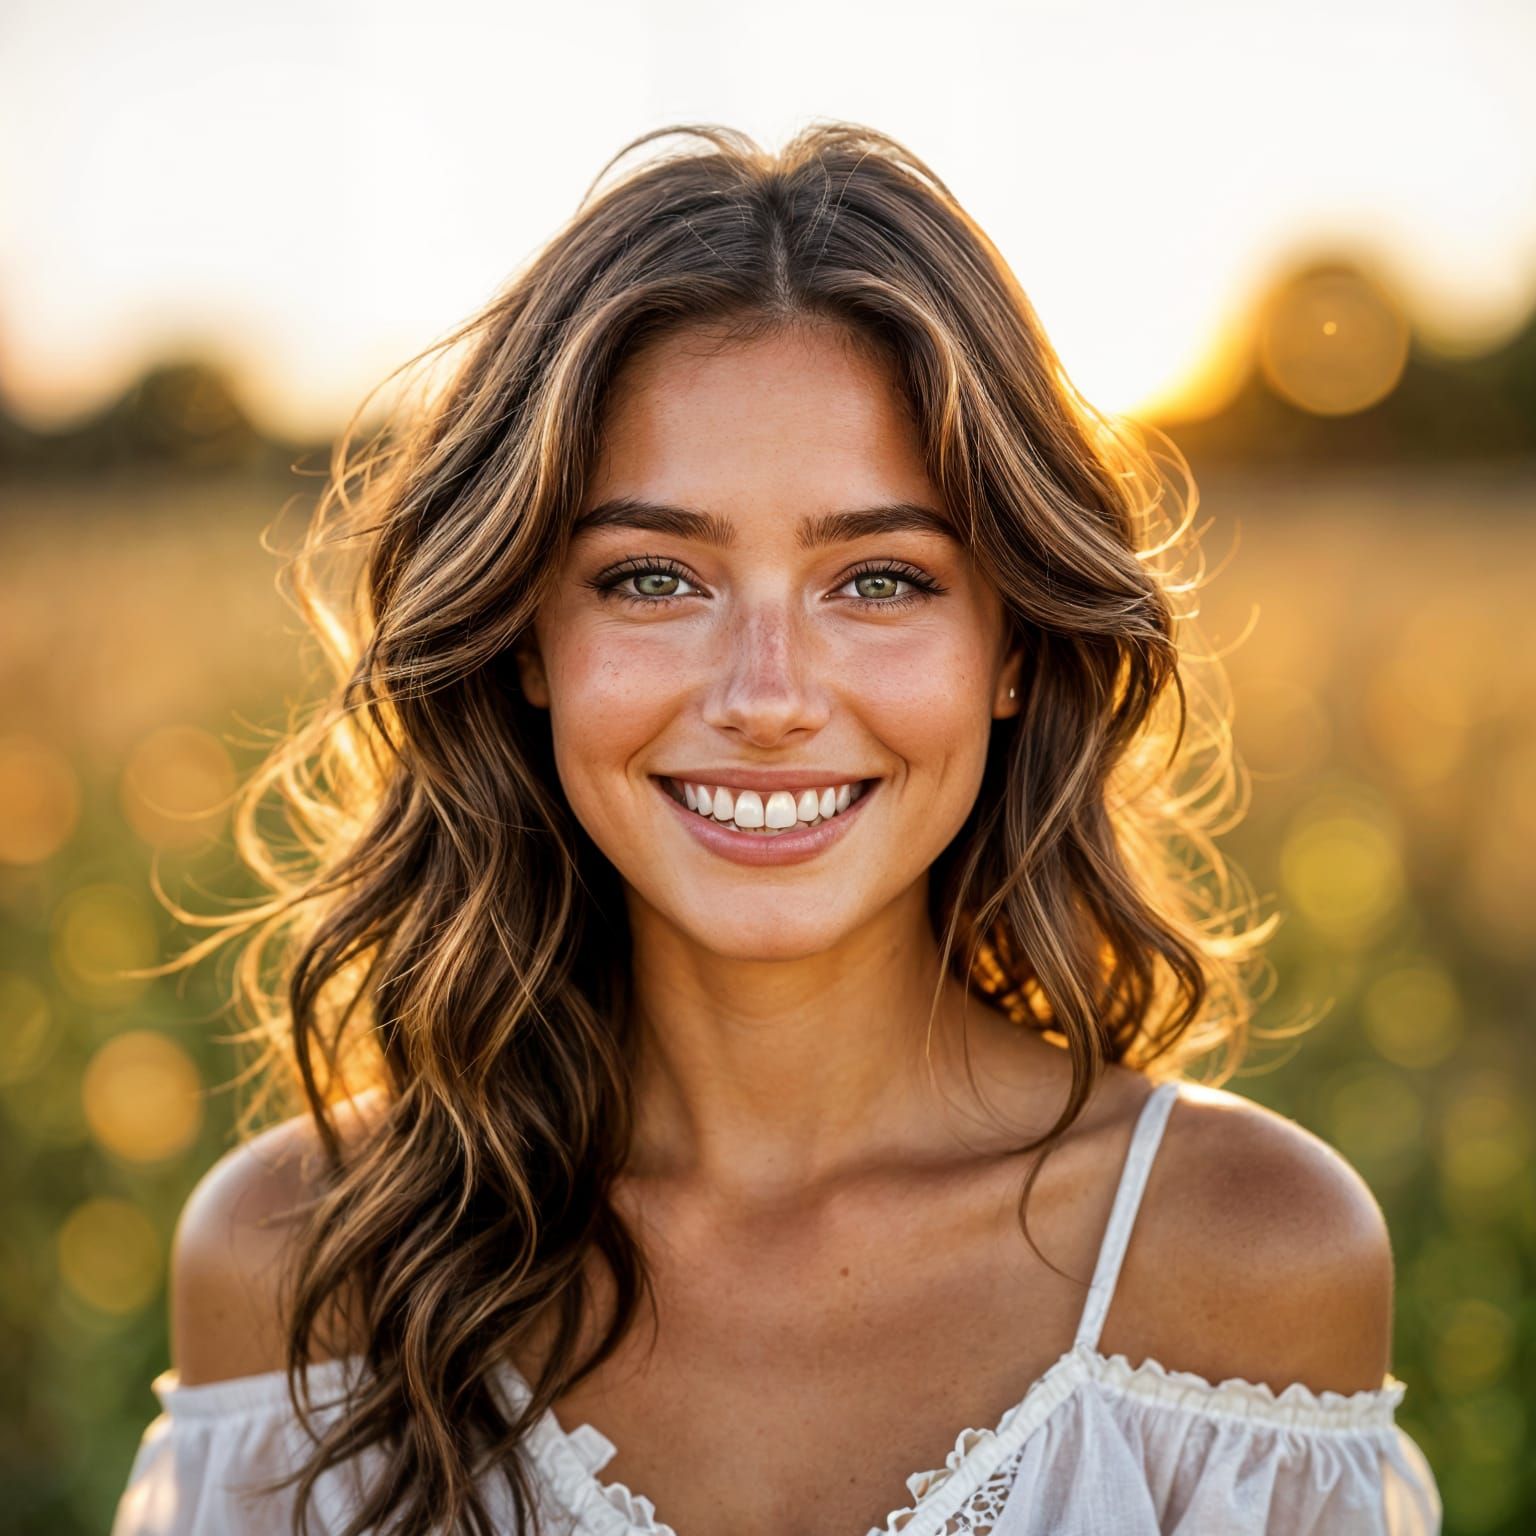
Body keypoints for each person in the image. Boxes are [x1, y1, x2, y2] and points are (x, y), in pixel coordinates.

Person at [111, 121, 1442, 1536]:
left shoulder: (1245, 1253)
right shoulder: (298, 1256)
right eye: (651, 578)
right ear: (521, 642)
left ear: (1012, 648)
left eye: (877, 580)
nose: (767, 699)